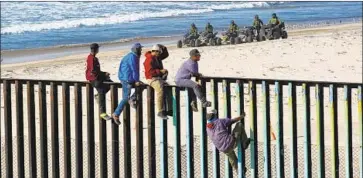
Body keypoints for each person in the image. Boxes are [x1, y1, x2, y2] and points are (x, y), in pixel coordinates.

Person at [112, 43, 144, 125]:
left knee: (141, 86)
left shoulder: (133, 56)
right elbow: (134, 69)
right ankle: (116, 113)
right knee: (126, 97)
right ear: (136, 49)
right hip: (126, 78)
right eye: (140, 49)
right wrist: (136, 80)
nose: (141, 50)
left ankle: (132, 98)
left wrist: (137, 80)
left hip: (128, 77)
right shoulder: (132, 57)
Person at [143, 44, 173, 119]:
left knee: (169, 89)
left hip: (158, 77)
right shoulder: (149, 59)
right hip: (151, 78)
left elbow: (165, 55)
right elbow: (150, 72)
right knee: (160, 90)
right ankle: (160, 111)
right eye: (159, 52)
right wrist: (160, 71)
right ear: (155, 52)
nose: (160, 54)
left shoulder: (157, 57)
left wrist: (164, 47)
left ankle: (169, 109)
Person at [85, 43, 112, 120]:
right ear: (96, 49)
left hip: (95, 77)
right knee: (102, 92)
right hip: (94, 79)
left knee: (110, 83)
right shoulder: (92, 58)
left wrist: (104, 74)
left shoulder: (91, 57)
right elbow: (94, 71)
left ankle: (97, 96)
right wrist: (103, 75)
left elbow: (95, 70)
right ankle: (102, 113)